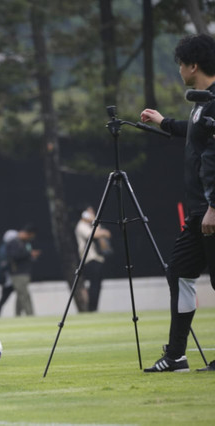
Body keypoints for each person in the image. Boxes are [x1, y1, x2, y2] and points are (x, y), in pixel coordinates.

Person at [140, 33, 215, 372]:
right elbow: (194, 132)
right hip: (201, 209)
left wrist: (214, 206)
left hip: (210, 209)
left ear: (193, 65)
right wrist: (163, 123)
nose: (180, 71)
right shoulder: (204, 102)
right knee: (179, 272)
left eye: (181, 65)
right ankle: (176, 356)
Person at [74, 206, 112, 312]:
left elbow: (106, 235)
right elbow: (93, 235)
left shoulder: (91, 225)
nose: (92, 214)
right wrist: (103, 231)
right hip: (90, 259)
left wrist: (100, 228)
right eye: (89, 212)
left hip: (98, 258)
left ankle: (94, 308)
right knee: (94, 284)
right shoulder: (81, 226)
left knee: (97, 284)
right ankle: (91, 309)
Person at [6, 225, 40, 316]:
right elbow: (14, 256)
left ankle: (18, 314)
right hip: (17, 273)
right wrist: (29, 254)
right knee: (24, 294)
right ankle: (30, 314)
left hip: (24, 272)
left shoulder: (24, 243)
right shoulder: (14, 243)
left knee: (20, 295)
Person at [0, 229, 18, 318]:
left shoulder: (6, 247)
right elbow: (5, 262)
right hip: (8, 277)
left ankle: (19, 314)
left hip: (10, 276)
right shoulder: (5, 248)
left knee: (19, 296)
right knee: (4, 297)